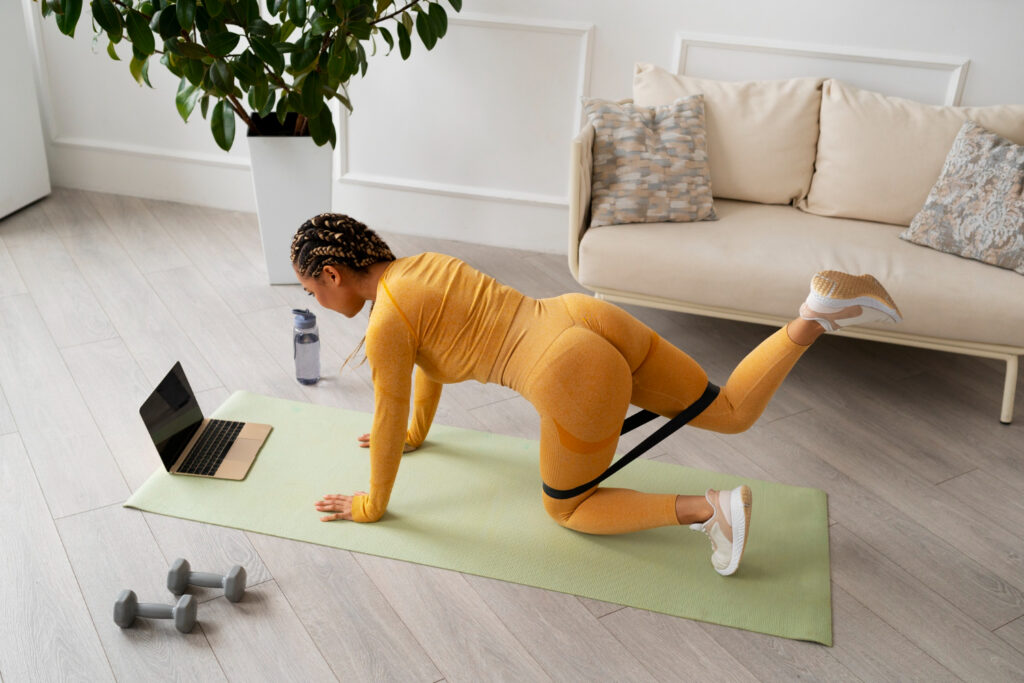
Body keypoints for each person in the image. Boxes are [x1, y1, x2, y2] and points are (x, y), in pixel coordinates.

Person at [292, 213, 902, 576]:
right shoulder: (421, 267)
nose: (317, 302)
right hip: (583, 316)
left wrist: (372, 502)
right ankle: (816, 312)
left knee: (568, 508)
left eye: (312, 291)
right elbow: (428, 370)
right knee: (732, 412)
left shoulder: (385, 325)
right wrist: (415, 434)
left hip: (566, 370)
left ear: (332, 275)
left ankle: (709, 508)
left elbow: (388, 403)